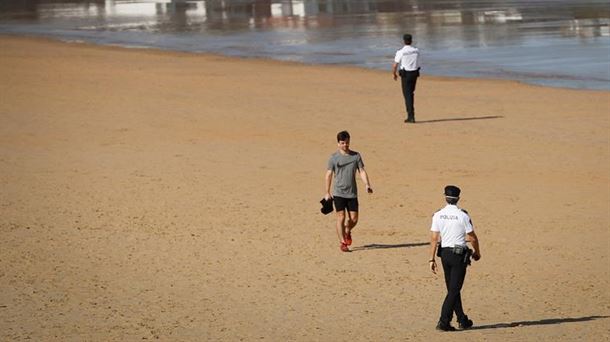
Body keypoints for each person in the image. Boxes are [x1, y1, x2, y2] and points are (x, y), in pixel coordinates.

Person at [429, 185, 481, 331]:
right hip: (458, 256)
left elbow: (434, 238)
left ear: (445, 197)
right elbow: (472, 237)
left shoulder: (438, 214)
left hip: (444, 254)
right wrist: (477, 252)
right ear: (458, 198)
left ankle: (462, 319)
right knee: (454, 289)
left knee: (452, 288)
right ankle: (443, 321)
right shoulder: (463, 215)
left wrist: (431, 259)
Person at [324, 131, 373, 252]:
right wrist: (327, 191)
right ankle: (343, 243)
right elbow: (329, 174)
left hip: (352, 193)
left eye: (347, 142)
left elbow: (361, 171)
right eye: (342, 143)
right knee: (340, 217)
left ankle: (347, 230)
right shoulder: (334, 158)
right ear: (338, 143)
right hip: (338, 192)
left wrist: (367, 184)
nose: (345, 145)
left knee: (354, 219)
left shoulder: (356, 156)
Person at [392, 33, 421, 123]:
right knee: (411, 93)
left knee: (407, 95)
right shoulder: (416, 50)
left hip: (406, 74)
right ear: (411, 41)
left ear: (404, 41)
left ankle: (411, 116)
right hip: (414, 73)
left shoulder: (401, 52)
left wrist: (394, 74)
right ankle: (411, 115)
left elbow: (395, 65)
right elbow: (419, 62)